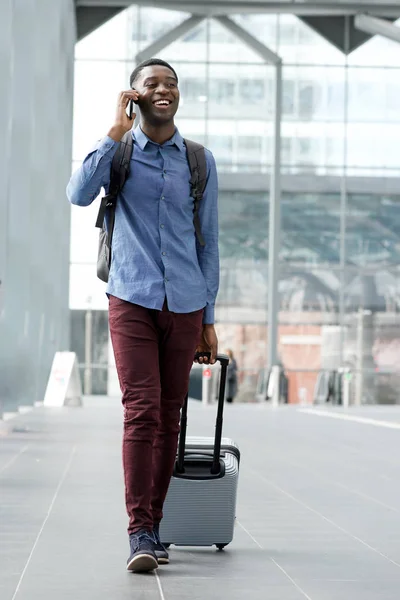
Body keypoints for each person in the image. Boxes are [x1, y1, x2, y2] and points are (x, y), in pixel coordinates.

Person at [67, 58, 219, 573]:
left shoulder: (198, 160)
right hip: (131, 297)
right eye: (151, 84)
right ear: (133, 96)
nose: (163, 90)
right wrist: (113, 131)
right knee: (143, 411)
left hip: (186, 304)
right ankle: (140, 531)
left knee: (171, 415)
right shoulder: (120, 153)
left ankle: (155, 526)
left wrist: (209, 318)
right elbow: (78, 194)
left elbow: (209, 242)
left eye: (171, 84)